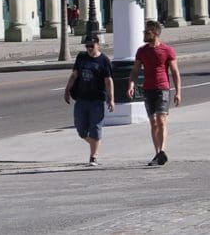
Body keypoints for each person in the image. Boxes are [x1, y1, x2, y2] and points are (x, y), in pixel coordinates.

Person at [127, 21, 182, 166]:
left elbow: (175, 72)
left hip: (162, 88)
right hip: (148, 89)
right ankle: (158, 153)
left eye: (147, 32)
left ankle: (162, 150)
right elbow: (135, 70)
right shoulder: (142, 51)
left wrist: (178, 92)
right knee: (153, 122)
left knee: (162, 120)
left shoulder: (167, 50)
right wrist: (131, 85)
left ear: (155, 33)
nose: (144, 34)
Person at [64, 35, 115, 166]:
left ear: (98, 45)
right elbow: (74, 75)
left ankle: (93, 156)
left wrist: (111, 98)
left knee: (95, 128)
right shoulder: (81, 57)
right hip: (81, 99)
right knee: (81, 129)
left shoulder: (104, 60)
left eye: (91, 46)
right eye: (87, 46)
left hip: (97, 100)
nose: (89, 49)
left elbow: (108, 81)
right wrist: (67, 90)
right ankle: (95, 143)